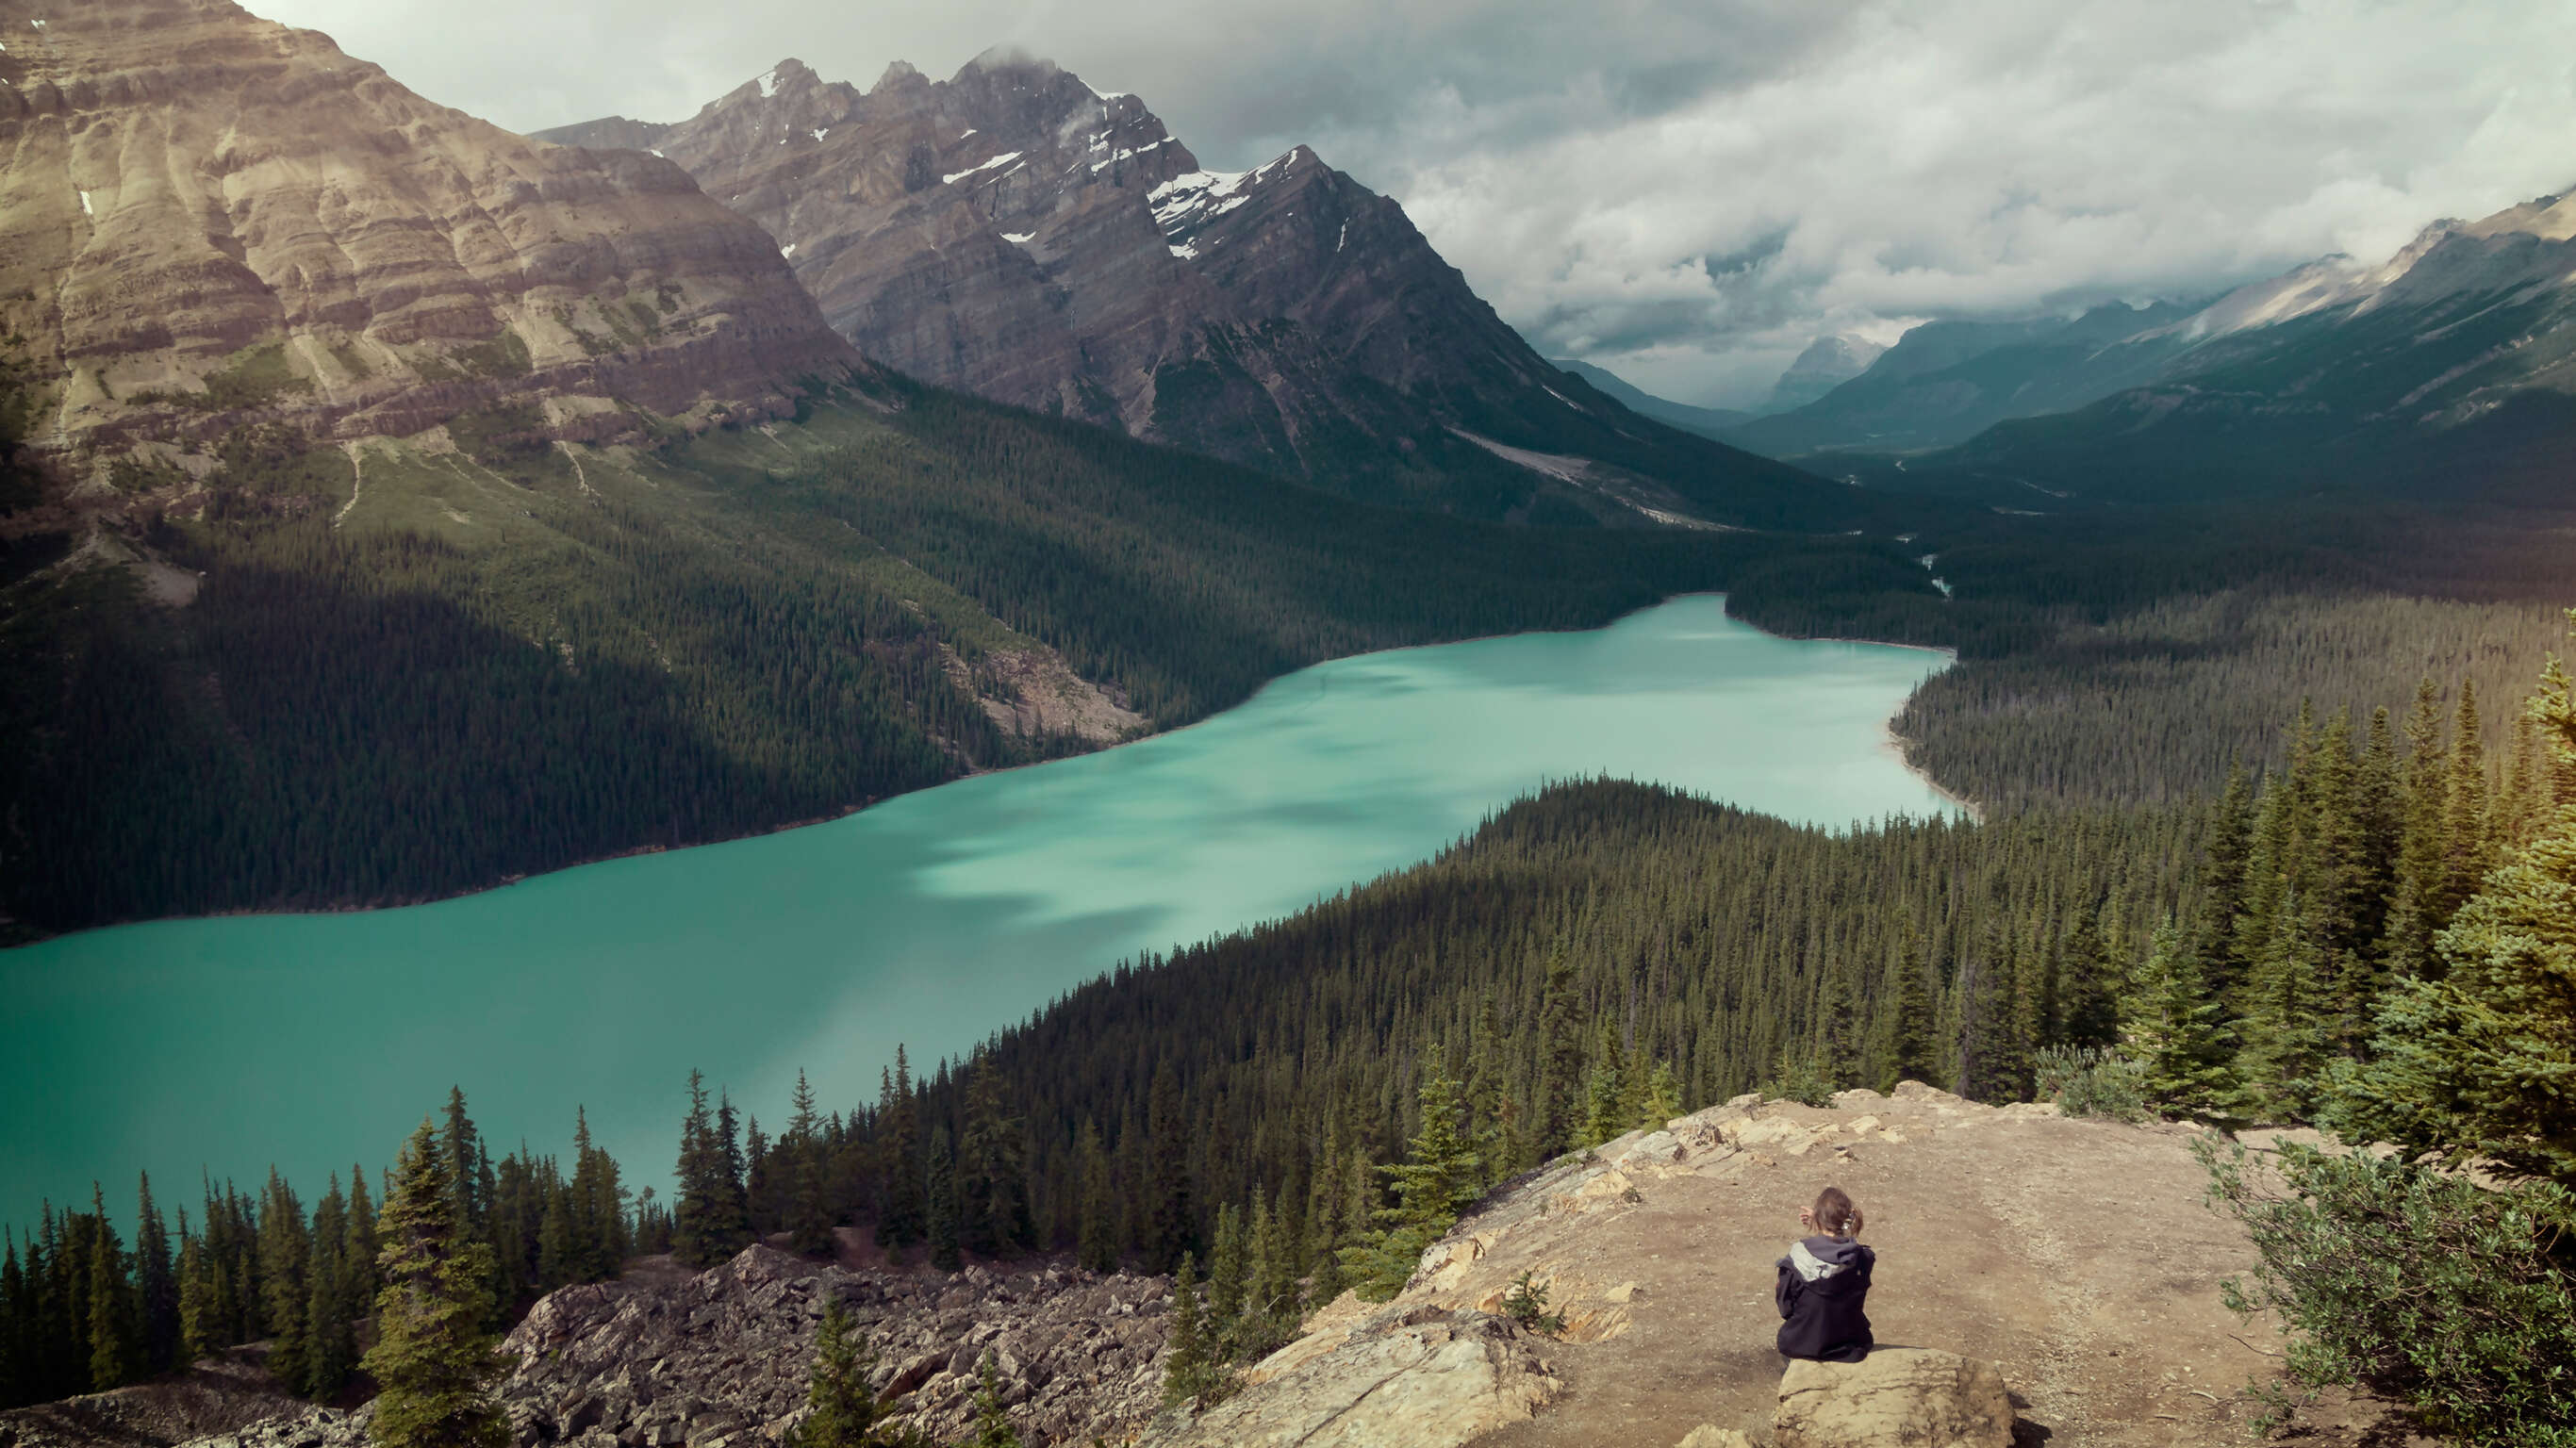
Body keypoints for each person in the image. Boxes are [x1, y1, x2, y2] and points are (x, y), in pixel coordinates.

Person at [1775, 1185, 1874, 1363]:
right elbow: (1840, 1243)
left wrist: (1820, 1221)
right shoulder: (1863, 1259)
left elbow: (1785, 1307)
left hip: (1801, 1342)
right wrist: (1825, 1220)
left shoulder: (1796, 1258)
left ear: (1818, 1219)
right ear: (1849, 1218)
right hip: (1848, 1342)